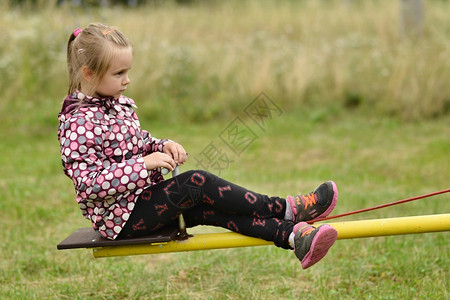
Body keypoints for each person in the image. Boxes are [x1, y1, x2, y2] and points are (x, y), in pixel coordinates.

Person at [58, 23, 339, 269]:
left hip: (142, 201)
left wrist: (162, 145)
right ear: (89, 73)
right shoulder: (78, 122)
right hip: (119, 219)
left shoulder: (118, 106)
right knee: (197, 182)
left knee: (210, 209)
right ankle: (286, 208)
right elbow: (88, 184)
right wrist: (144, 165)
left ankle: (294, 237)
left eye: (127, 71)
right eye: (119, 73)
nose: (127, 80)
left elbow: (137, 141)